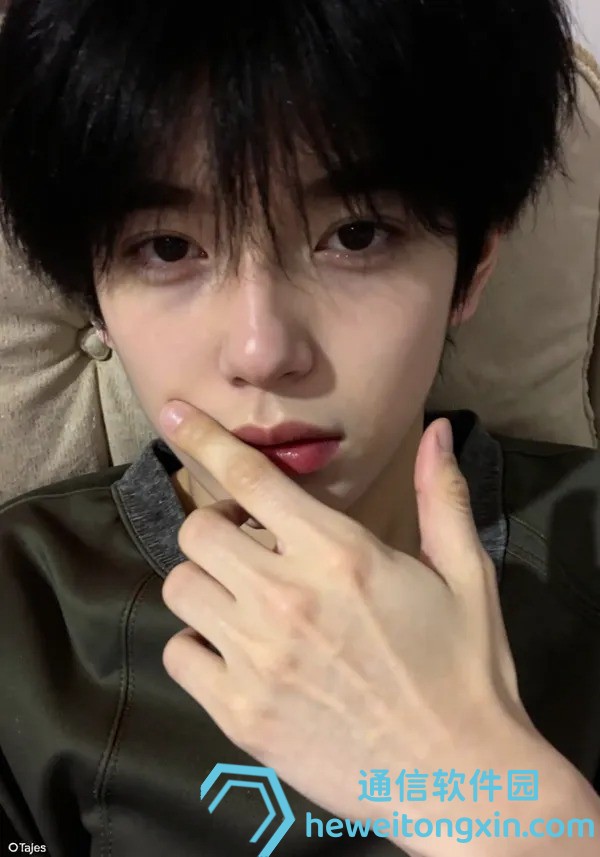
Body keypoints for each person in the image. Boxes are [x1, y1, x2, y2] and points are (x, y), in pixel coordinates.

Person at [0, 1, 599, 855]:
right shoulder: (25, 613)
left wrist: (481, 786)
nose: (263, 351)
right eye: (166, 248)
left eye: (355, 235)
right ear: (92, 295)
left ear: (472, 269)